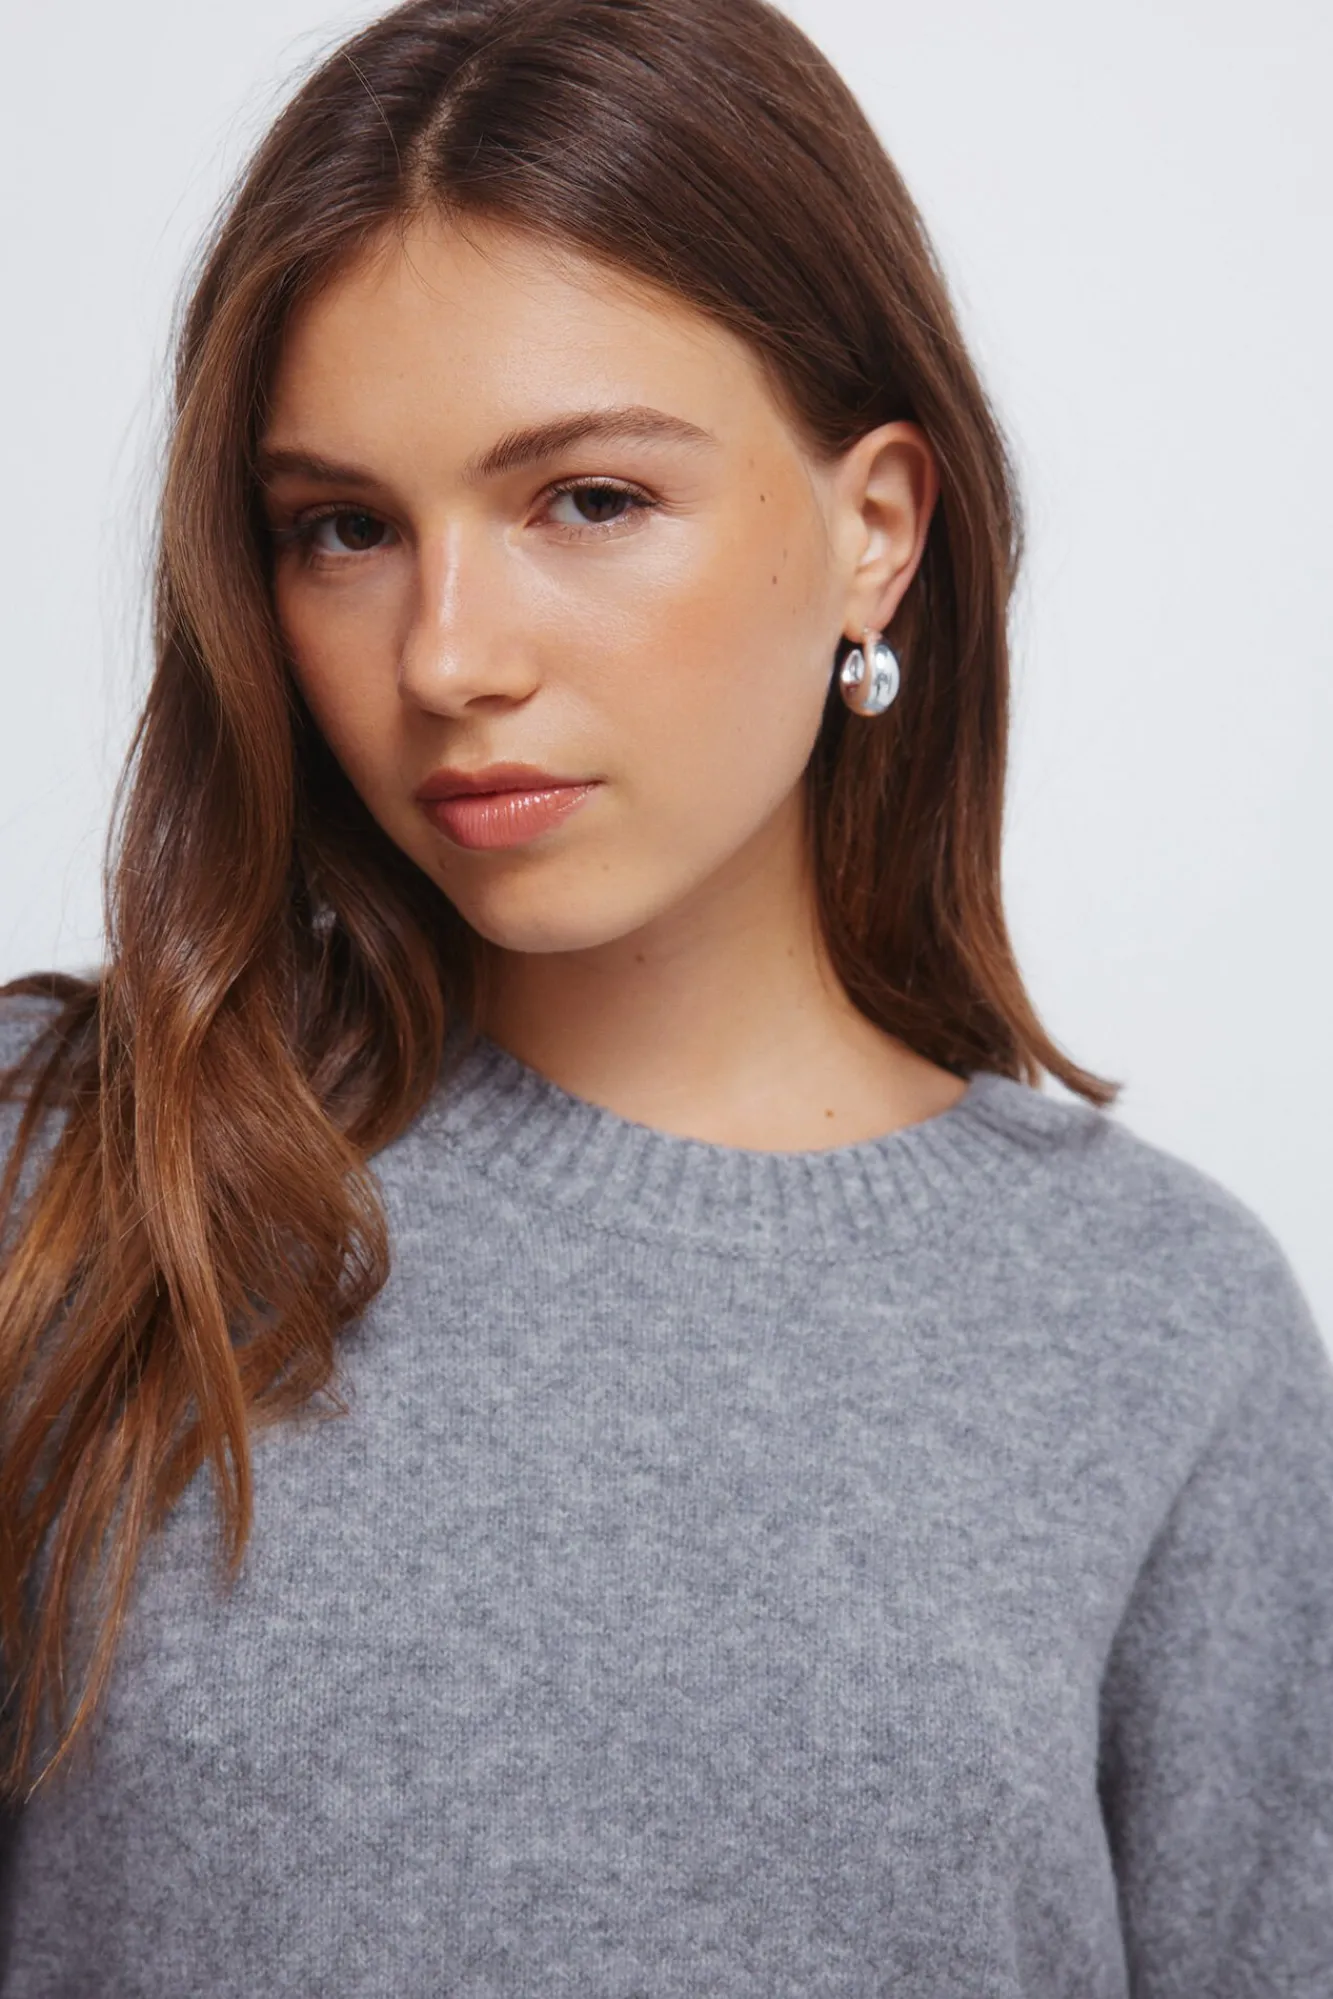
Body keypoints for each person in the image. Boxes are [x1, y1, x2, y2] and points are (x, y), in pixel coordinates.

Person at [1, 0, 1330, 1991]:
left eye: (588, 500)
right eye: (343, 529)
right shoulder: (70, 1180)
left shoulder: (1161, 1329)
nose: (448, 654)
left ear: (876, 531)